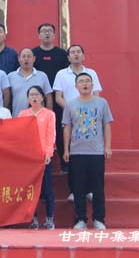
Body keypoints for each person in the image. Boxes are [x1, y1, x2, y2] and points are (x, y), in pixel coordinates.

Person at [63, 73, 113, 231]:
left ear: (92, 85)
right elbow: (67, 127)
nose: (84, 84)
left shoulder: (102, 103)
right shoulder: (71, 104)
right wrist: (66, 149)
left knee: (98, 187)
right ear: (76, 86)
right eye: (81, 82)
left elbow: (107, 125)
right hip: (76, 152)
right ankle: (81, 219)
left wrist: (107, 147)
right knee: (78, 188)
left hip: (96, 152)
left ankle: (99, 219)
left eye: (87, 81)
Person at [53, 44, 103, 181]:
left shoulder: (91, 73)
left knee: (89, 151)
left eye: (78, 52)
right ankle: (73, 186)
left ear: (83, 56)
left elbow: (96, 95)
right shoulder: (61, 74)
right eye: (73, 52)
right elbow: (58, 97)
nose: (76, 54)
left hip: (89, 118)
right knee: (71, 151)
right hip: (70, 117)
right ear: (68, 57)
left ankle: (90, 185)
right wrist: (73, 111)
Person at [32, 23, 70, 172]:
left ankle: (65, 163)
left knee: (60, 130)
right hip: (37, 100)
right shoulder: (33, 54)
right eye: (43, 31)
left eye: (49, 31)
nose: (46, 33)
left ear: (54, 35)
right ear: (38, 35)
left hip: (58, 98)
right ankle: (36, 162)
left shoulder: (61, 54)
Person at [18, 85, 56, 230]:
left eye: (36, 94)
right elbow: (19, 134)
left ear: (42, 97)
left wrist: (48, 153)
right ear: (28, 98)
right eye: (31, 95)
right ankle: (33, 219)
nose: (34, 97)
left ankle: (49, 219)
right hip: (28, 157)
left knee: (46, 188)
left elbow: (51, 135)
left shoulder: (49, 114)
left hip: (44, 156)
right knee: (31, 189)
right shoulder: (23, 114)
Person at [8, 48, 53, 117]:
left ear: (34, 59)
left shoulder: (42, 76)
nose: (26, 59)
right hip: (17, 117)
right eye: (23, 56)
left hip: (38, 118)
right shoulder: (11, 76)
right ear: (19, 59)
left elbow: (48, 97)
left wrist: (49, 115)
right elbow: (7, 98)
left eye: (29, 56)